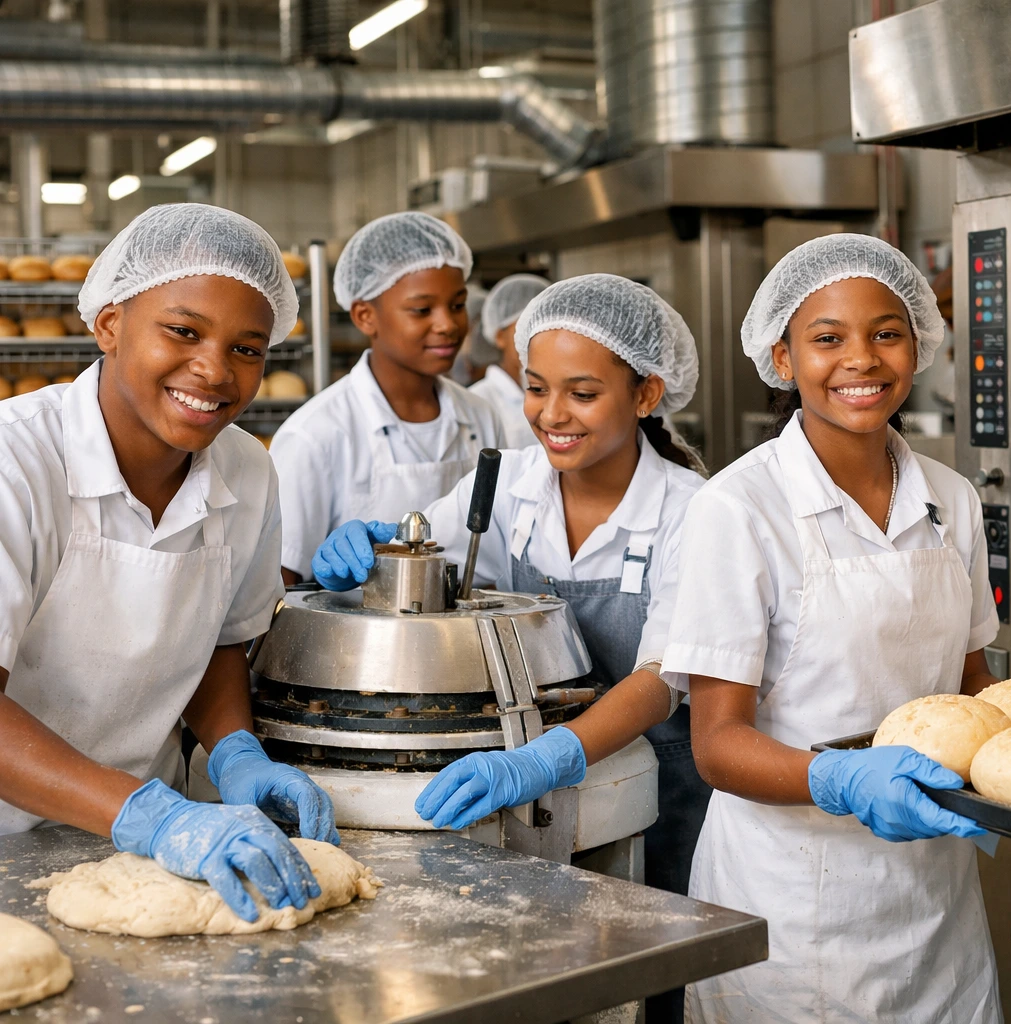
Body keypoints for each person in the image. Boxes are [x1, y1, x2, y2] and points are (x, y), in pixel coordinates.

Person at [308, 274, 712, 1020]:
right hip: (531, 797)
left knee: (650, 989)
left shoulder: (692, 512)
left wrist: (543, 760)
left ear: (647, 394)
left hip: (660, 797)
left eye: (582, 394)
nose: (550, 415)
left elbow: (662, 678)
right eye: (535, 388)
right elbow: (426, 554)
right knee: (545, 978)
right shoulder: (511, 483)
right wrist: (379, 551)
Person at [660, 234, 1003, 1022]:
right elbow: (716, 743)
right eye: (827, 339)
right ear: (782, 359)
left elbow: (972, 683)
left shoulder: (952, 498)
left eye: (887, 333)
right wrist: (838, 778)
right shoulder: (738, 509)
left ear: (919, 345)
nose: (862, 359)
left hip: (932, 889)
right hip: (794, 901)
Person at [0, 204, 337, 923]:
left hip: (137, 853)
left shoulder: (247, 470)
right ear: (110, 323)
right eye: (183, 330)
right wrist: (154, 817)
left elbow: (218, 641)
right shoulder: (16, 462)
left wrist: (236, 756)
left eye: (249, 348)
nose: (215, 371)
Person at [270, 212, 503, 584]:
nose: (447, 324)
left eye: (457, 305)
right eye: (422, 310)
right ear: (365, 316)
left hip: (467, 637)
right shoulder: (315, 435)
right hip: (356, 640)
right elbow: (279, 585)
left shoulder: (480, 415)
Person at [469, 273, 549, 450]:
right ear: (499, 336)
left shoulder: (557, 393)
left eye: (545, 326)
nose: (538, 336)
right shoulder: (478, 400)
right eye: (526, 326)